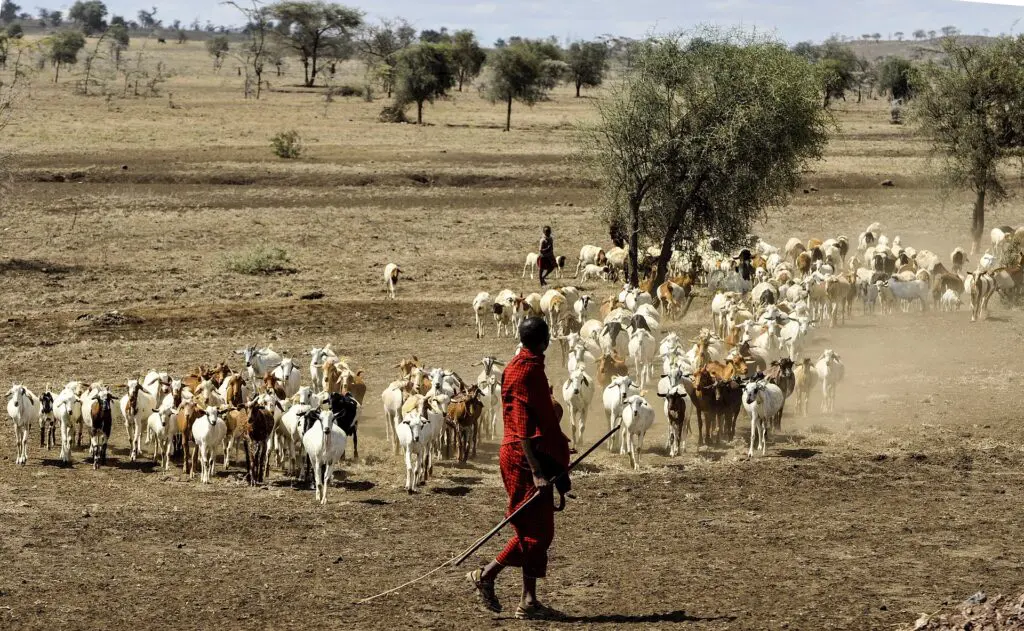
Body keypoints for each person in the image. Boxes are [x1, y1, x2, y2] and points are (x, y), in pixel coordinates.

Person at [467, 317, 570, 620]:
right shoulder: (529, 371)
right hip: (524, 460)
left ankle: (529, 601)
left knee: (537, 529)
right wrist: (537, 469)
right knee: (536, 535)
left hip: (529, 455)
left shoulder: (516, 365)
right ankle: (486, 575)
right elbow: (523, 428)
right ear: (545, 340)